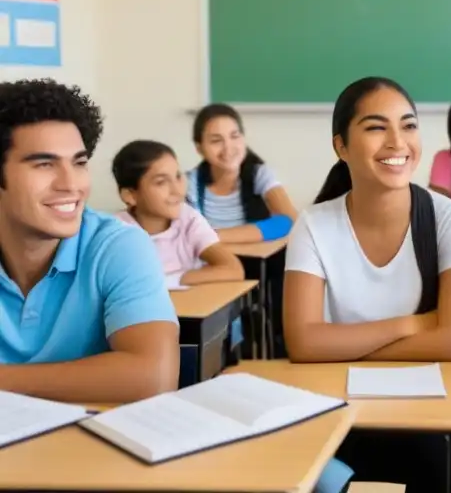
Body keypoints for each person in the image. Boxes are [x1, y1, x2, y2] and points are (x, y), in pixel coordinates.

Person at [283, 77, 451, 493]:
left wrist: (336, 344)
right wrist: (412, 324)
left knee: (431, 467)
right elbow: (302, 343)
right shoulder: (314, 225)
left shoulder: (449, 219)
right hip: (334, 409)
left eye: (408, 126)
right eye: (376, 128)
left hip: (427, 412)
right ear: (341, 146)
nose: (397, 141)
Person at [0, 79, 179, 403]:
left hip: (86, 448)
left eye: (79, 163)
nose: (71, 184)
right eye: (44, 164)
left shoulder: (118, 246)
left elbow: (154, 375)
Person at [112, 140, 244, 286]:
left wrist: (169, 280)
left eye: (178, 177)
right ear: (130, 195)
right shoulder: (117, 233)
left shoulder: (188, 219)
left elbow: (233, 269)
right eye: (161, 182)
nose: (177, 190)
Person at [187, 103, 297, 243]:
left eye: (234, 136)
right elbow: (184, 235)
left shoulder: (260, 175)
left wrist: (211, 236)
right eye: (216, 140)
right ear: (199, 148)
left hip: (254, 261)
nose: (228, 147)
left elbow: (289, 221)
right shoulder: (189, 183)